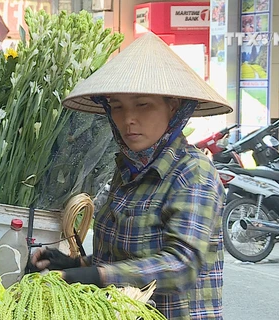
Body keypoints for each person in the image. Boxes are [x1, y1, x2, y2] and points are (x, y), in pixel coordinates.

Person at [30, 32, 233, 320]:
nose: (128, 119)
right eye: (117, 107)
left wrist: (97, 275)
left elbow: (182, 265)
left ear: (173, 106)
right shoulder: (126, 170)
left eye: (143, 104)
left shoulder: (192, 173)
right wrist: (77, 264)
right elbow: (121, 260)